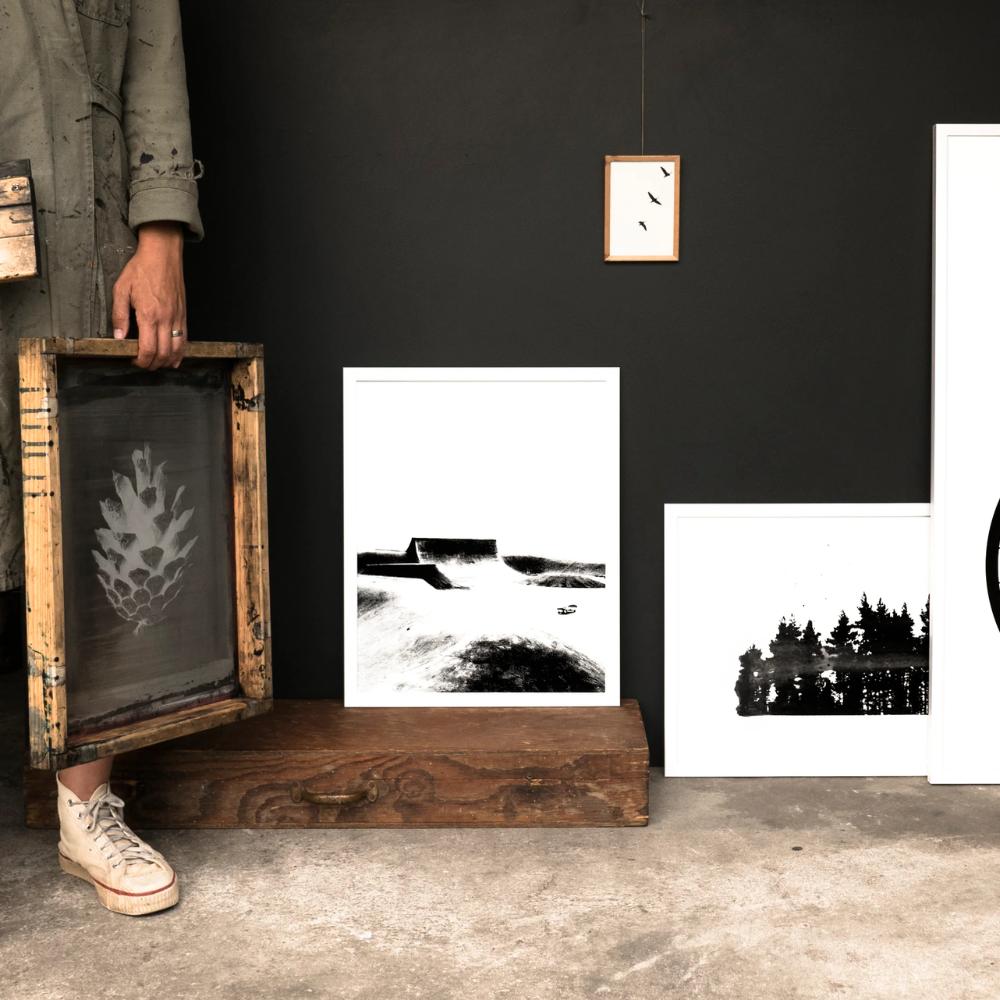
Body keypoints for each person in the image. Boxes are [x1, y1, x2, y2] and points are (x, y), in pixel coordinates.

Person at [0, 0, 203, 915]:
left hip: (77, 231)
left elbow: (152, 60)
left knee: (94, 508)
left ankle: (87, 811)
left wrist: (160, 235)